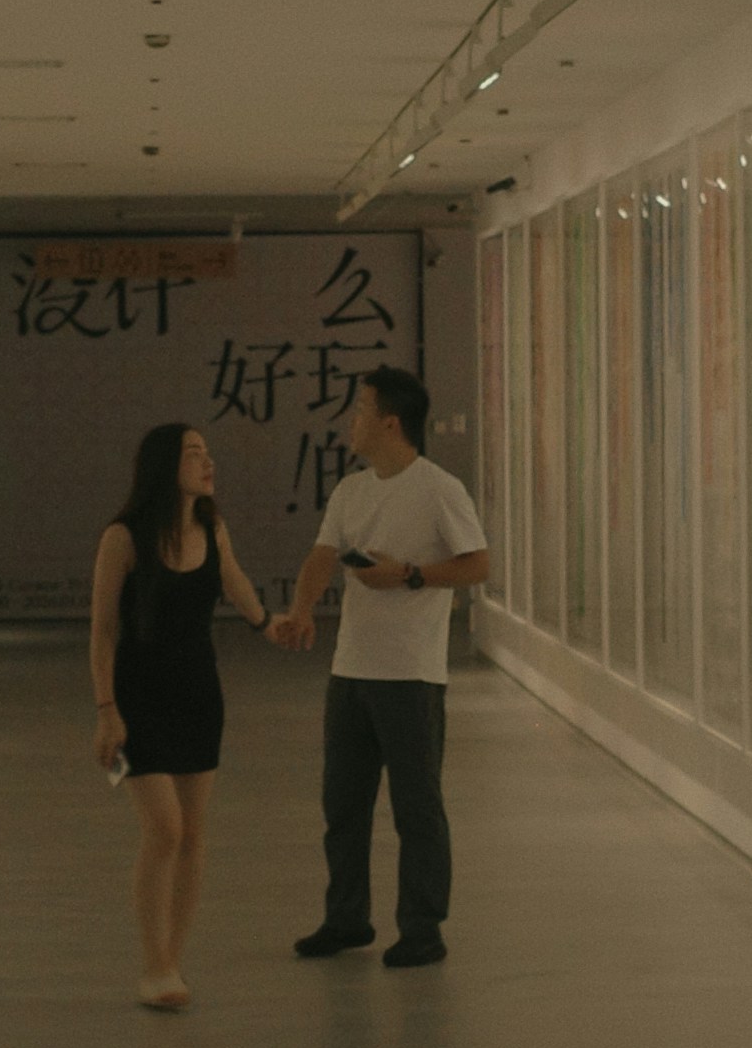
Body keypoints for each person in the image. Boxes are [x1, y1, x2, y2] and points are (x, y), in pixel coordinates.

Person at [268, 365, 489, 969]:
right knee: (343, 805)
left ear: (390, 422)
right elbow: (321, 555)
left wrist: (411, 575)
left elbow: (477, 565)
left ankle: (423, 927)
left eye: (361, 410)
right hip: (352, 672)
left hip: (411, 676)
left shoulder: (440, 488)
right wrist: (302, 610)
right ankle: (346, 918)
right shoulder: (351, 491)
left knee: (417, 808)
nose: (353, 420)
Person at [90, 423, 270, 1011]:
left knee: (193, 835)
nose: (207, 462)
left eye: (208, 453)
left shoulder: (212, 530)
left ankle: (173, 961)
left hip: (200, 697)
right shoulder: (124, 537)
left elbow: (234, 580)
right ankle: (152, 961)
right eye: (194, 454)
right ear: (165, 466)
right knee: (163, 829)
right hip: (139, 701)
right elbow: (102, 631)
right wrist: (106, 711)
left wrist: (269, 623)